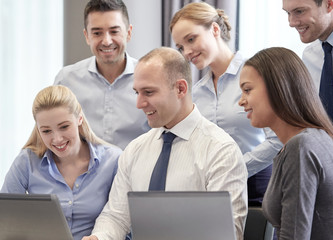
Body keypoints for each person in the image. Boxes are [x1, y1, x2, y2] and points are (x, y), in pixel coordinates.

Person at [82, 47, 248, 240]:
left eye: (148, 92)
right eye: (137, 92)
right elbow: (116, 216)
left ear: (180, 89)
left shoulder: (221, 150)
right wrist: (98, 237)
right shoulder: (135, 149)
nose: (139, 103)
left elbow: (227, 235)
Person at [170, 2, 282, 206]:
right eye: (180, 47)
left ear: (214, 29)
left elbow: (278, 140)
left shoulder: (258, 74)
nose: (186, 52)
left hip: (257, 188)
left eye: (191, 39)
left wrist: (235, 168)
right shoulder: (196, 93)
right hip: (211, 191)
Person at [238, 47, 333, 239]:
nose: (241, 101)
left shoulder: (301, 147)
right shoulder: (315, 138)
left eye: (247, 90)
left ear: (278, 87)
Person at [1, 85, 122, 240]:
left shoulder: (113, 160)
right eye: (46, 131)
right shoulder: (27, 161)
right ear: (38, 130)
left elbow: (123, 220)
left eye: (64, 127)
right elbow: (5, 218)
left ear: (79, 118)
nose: (57, 139)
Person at [282, 0, 333, 202]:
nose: (291, 22)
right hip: (330, 176)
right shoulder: (310, 56)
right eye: (288, 13)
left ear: (330, 4)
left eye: (299, 12)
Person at [54, 0, 149, 150]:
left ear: (128, 33)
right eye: (97, 33)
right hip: (83, 173)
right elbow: (52, 134)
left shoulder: (151, 78)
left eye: (114, 31)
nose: (106, 41)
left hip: (138, 171)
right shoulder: (66, 80)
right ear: (87, 36)